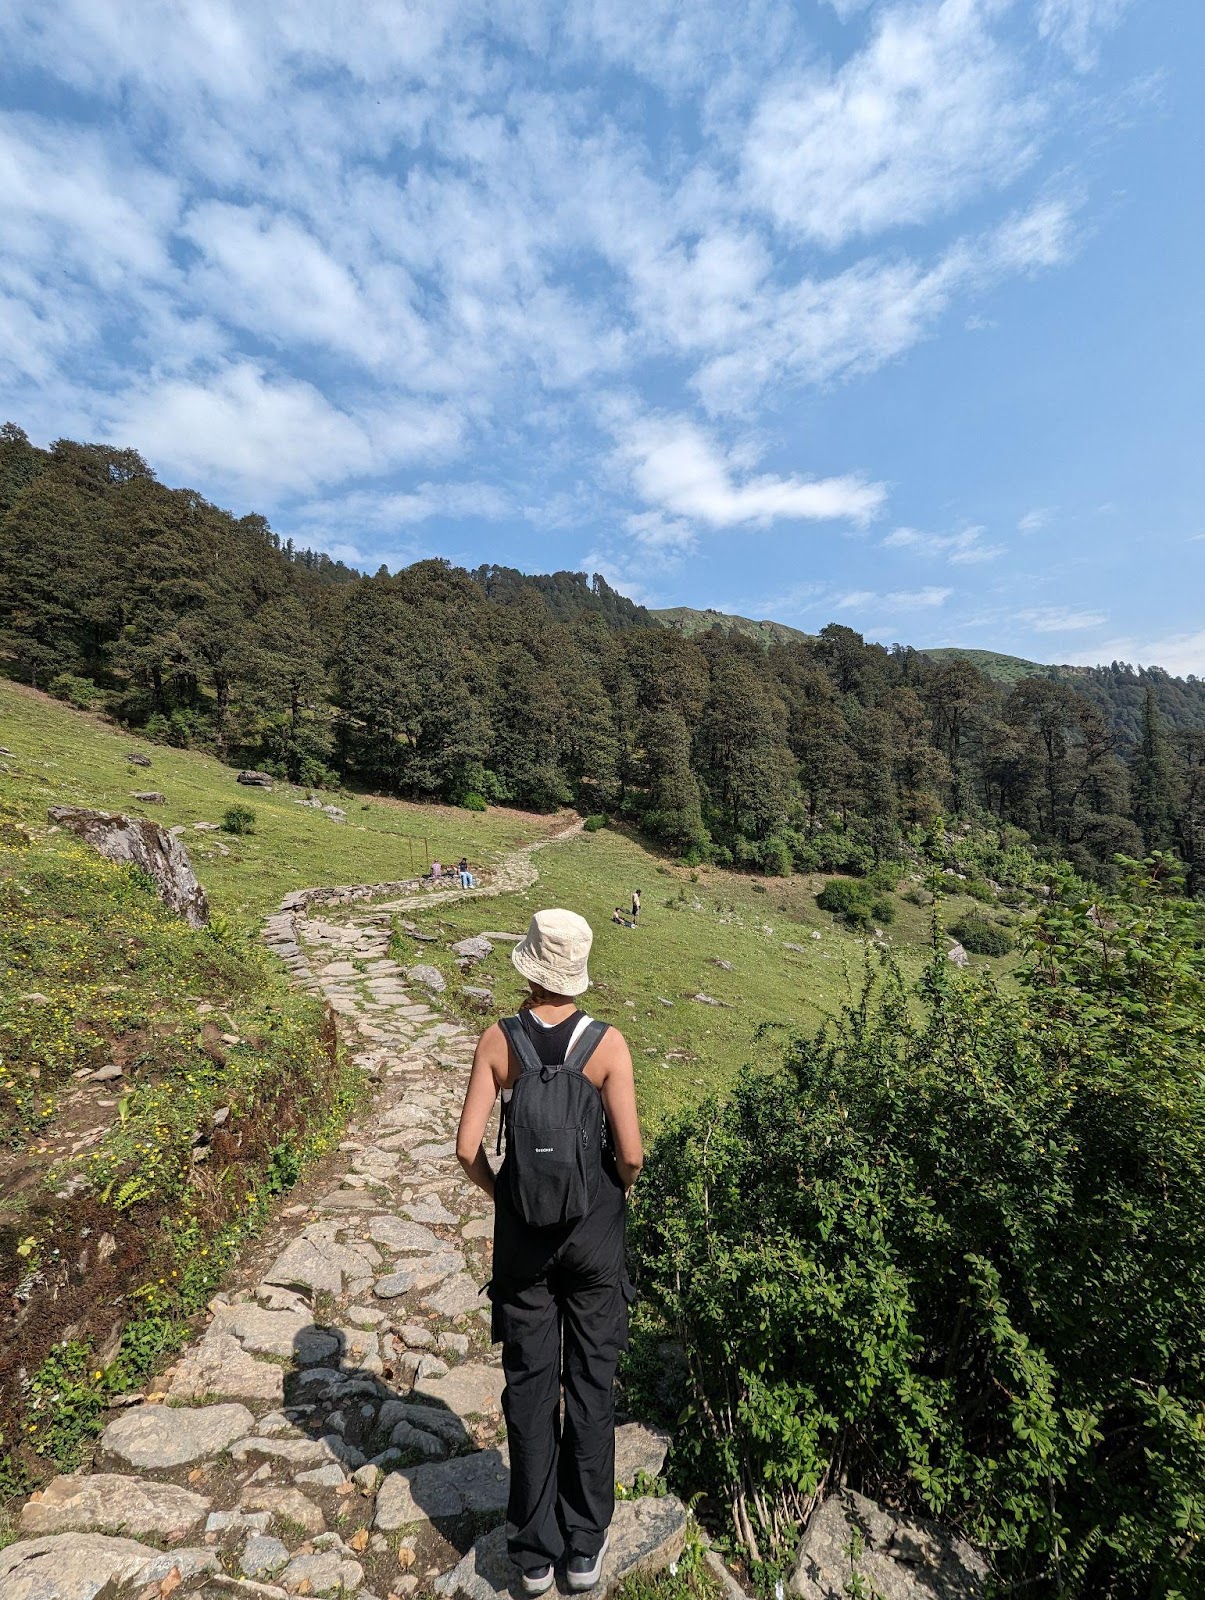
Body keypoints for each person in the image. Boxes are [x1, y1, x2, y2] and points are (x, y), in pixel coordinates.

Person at [456, 909, 644, 1596]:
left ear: (528, 967)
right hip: (593, 1236)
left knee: (530, 1389)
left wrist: (503, 1197)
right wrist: (611, 1194)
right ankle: (584, 1547)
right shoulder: (607, 1044)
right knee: (591, 1386)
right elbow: (630, 1155)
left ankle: (532, 1555)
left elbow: (465, 1147)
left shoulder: (497, 1042)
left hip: (522, 1240)